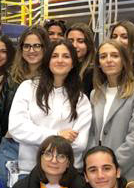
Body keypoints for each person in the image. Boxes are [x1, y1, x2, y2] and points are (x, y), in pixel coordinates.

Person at [8, 37, 92, 175]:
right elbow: (17, 128)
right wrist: (58, 135)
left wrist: (36, 137)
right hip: (30, 171)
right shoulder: (27, 88)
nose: (60, 60)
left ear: (73, 63)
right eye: (54, 56)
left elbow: (79, 144)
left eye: (66, 56)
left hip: (67, 174)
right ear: (48, 61)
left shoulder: (81, 99)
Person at [0, 28, 46, 186]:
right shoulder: (12, 78)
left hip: (40, 147)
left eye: (37, 46)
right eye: (27, 46)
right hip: (10, 146)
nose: (31, 50)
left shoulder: (51, 79)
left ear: (45, 48)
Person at [90, 38, 134, 183]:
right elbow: (92, 134)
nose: (109, 60)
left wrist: (111, 167)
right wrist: (94, 166)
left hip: (126, 172)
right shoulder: (95, 94)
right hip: (98, 175)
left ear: (124, 60)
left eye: (115, 56)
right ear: (98, 64)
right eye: (103, 57)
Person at [66, 23, 96, 94]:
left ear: (89, 44)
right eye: (70, 41)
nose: (74, 45)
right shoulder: (64, 68)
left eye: (80, 41)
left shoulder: (93, 72)